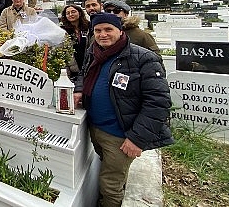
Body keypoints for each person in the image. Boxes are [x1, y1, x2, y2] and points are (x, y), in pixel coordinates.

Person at [73, 13, 173, 207]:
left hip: (121, 134)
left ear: (120, 30)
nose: (103, 35)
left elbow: (158, 102)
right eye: (98, 30)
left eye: (108, 29)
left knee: (110, 185)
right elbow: (83, 74)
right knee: (110, 171)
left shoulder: (142, 58)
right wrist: (79, 90)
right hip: (95, 127)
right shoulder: (95, 52)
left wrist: (137, 138)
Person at [60, 4, 90, 79]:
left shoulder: (89, 27)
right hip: (73, 70)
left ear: (79, 13)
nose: (70, 14)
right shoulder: (62, 30)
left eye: (73, 12)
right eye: (68, 13)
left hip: (89, 67)